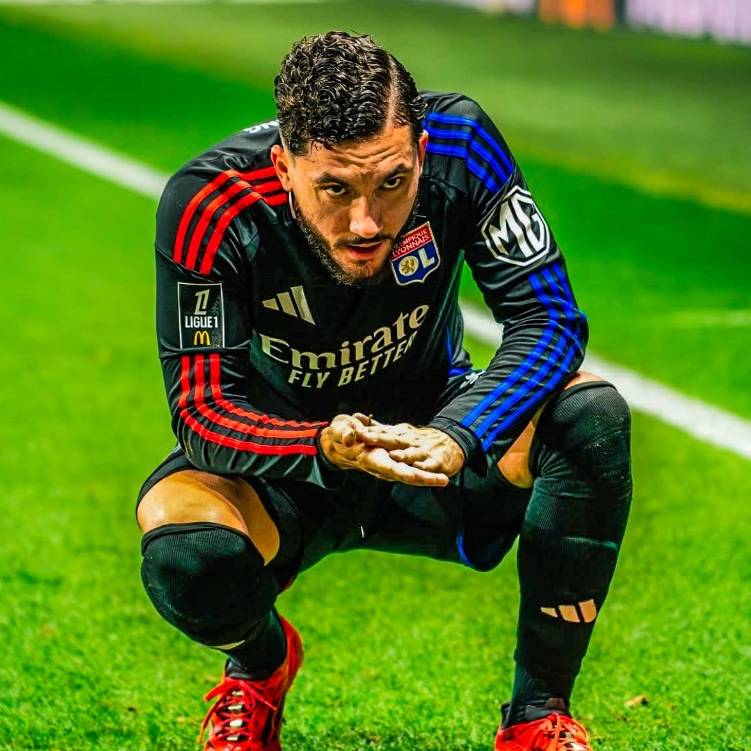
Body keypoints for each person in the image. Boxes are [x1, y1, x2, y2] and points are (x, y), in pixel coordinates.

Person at [136, 31, 632, 751]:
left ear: (420, 152)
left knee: (590, 414)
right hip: (290, 464)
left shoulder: (461, 143)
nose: (365, 222)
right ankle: (261, 665)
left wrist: (459, 431)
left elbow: (548, 319)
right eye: (335, 189)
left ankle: (535, 714)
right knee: (184, 552)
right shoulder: (210, 204)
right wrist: (322, 444)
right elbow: (203, 410)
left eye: (392, 183)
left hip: (435, 440)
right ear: (284, 167)